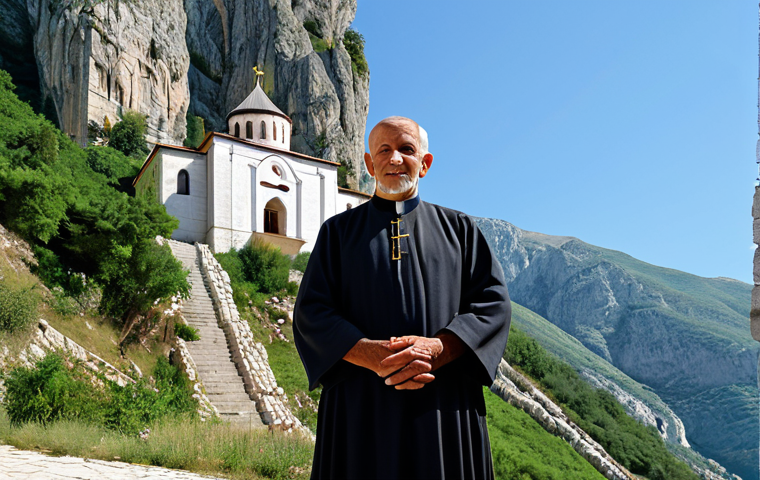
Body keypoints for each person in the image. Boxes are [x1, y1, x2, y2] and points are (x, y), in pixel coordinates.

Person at [293, 116, 511, 479]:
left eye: (406, 149)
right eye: (384, 150)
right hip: (360, 405)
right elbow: (312, 313)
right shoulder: (337, 234)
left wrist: (438, 349)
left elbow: (493, 305)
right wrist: (370, 354)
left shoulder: (460, 230)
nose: (395, 158)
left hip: (444, 406)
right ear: (369, 163)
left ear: (424, 163)